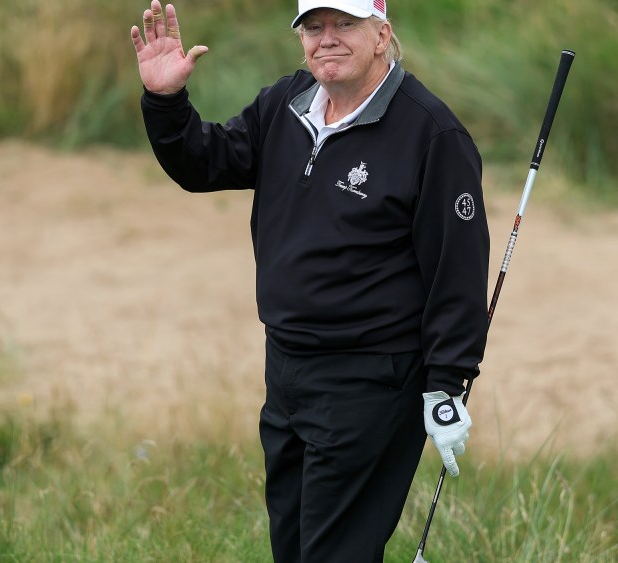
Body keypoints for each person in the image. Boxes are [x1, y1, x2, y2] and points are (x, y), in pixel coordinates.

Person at [131, 1, 490, 560]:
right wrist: (165, 101)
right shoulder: (287, 102)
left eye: (345, 24)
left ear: (382, 35)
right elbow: (206, 162)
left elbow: (458, 268)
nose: (328, 39)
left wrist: (448, 381)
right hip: (288, 368)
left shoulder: (431, 132)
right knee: (294, 547)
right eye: (314, 27)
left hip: (372, 377)